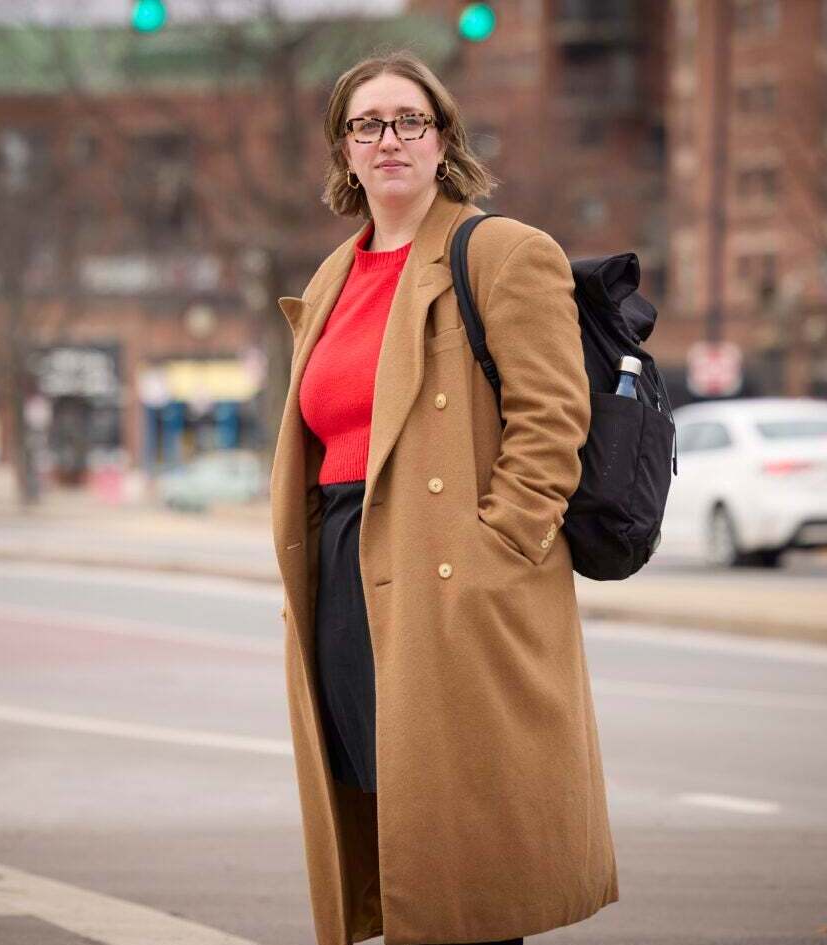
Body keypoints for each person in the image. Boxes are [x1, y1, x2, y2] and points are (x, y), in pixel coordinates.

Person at [269, 52, 619, 945]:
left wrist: (497, 548)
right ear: (343, 151)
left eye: (409, 121)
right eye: (367, 124)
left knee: (467, 858)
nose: (389, 139)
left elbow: (552, 420)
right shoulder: (328, 280)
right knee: (391, 819)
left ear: (444, 140)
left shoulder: (501, 252)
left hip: (455, 570)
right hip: (347, 571)